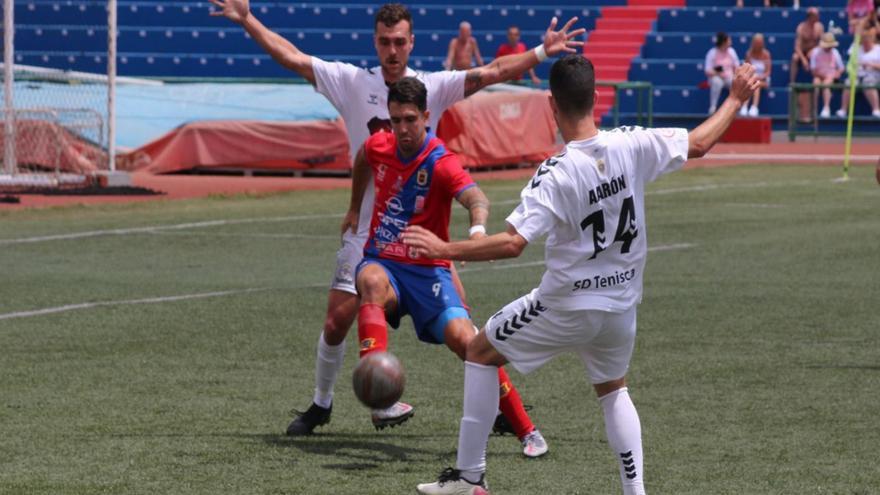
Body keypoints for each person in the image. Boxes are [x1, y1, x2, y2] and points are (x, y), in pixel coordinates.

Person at [209, 0, 584, 451]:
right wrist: (248, 19)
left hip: (424, 241)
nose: (392, 49)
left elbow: (491, 72)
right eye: (384, 41)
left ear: (411, 43)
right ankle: (324, 404)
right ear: (376, 42)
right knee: (336, 320)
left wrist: (541, 54)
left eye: (399, 41)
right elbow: (295, 61)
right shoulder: (352, 82)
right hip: (372, 239)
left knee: (466, 337)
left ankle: (514, 418)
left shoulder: (431, 89)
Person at [405, 54, 760, 495]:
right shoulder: (631, 143)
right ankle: (636, 492)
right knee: (613, 390)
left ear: (551, 104)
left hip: (566, 305)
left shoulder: (555, 172)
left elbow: (513, 243)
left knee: (479, 351)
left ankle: (470, 478)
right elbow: (700, 143)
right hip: (621, 307)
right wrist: (736, 97)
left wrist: (444, 248)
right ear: (596, 97)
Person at [346, 76, 548, 461]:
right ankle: (379, 397)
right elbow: (361, 160)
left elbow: (476, 198)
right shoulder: (378, 146)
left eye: (409, 119)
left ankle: (526, 428)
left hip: (428, 272)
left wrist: (476, 231)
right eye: (395, 121)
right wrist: (355, 207)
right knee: (369, 280)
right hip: (384, 262)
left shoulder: (440, 162)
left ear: (425, 116)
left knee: (469, 342)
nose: (402, 129)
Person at [837, 26, 880, 118]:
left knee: (868, 83)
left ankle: (876, 109)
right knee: (849, 83)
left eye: (867, 40)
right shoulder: (855, 48)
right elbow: (850, 64)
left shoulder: (878, 49)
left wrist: (870, 64)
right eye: (863, 40)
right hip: (857, 75)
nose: (865, 43)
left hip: (873, 75)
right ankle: (843, 110)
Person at [791, 7, 825, 123]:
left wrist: (813, 51)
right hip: (803, 53)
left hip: (816, 52)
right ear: (810, 16)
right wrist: (803, 59)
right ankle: (792, 81)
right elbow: (797, 46)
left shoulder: (820, 27)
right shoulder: (801, 27)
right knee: (794, 58)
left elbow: (822, 43)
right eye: (816, 15)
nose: (818, 17)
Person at [810, 32, 845, 118]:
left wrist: (837, 74)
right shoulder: (815, 52)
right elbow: (813, 70)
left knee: (826, 84)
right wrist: (822, 75)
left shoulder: (835, 52)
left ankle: (826, 108)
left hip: (830, 77)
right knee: (816, 82)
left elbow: (841, 68)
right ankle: (814, 109)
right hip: (818, 75)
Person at [704, 31, 740, 113]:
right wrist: (718, 73)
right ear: (724, 42)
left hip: (729, 77)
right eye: (729, 40)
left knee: (736, 83)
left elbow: (737, 66)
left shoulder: (732, 52)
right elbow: (707, 70)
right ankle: (713, 107)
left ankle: (736, 107)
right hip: (717, 77)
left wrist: (735, 76)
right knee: (717, 82)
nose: (730, 42)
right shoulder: (712, 52)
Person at [742, 33, 772, 116]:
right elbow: (746, 69)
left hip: (764, 80)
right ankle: (744, 107)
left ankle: (754, 107)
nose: (758, 44)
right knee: (753, 83)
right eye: (756, 42)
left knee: (756, 83)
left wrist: (759, 77)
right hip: (752, 79)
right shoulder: (749, 54)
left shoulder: (766, 54)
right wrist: (753, 77)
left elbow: (768, 72)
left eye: (759, 42)